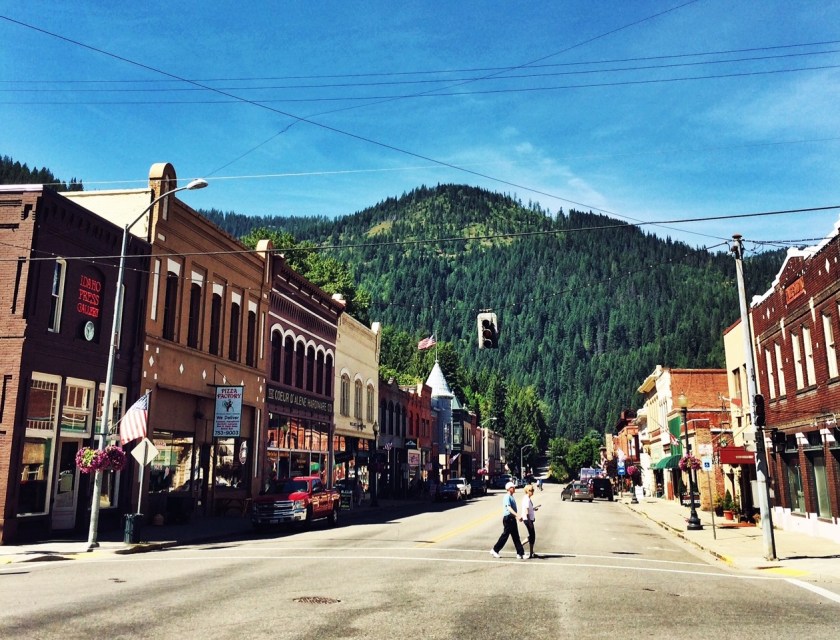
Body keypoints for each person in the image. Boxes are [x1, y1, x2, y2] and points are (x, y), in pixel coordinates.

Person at [490, 481, 526, 559]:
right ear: (509, 489)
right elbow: (509, 508)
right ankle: (495, 550)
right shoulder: (507, 496)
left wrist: (516, 517)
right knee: (505, 535)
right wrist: (517, 515)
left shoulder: (511, 497)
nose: (514, 488)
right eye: (513, 487)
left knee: (516, 536)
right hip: (508, 518)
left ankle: (520, 553)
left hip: (512, 518)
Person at [520, 484, 540, 559]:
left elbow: (529, 509)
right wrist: (529, 522)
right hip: (528, 520)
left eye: (533, 490)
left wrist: (534, 509)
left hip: (529, 519)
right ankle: (520, 545)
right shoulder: (526, 499)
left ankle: (531, 552)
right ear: (527, 491)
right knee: (532, 536)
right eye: (531, 490)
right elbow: (526, 511)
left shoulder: (528, 498)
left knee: (532, 536)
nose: (532, 492)